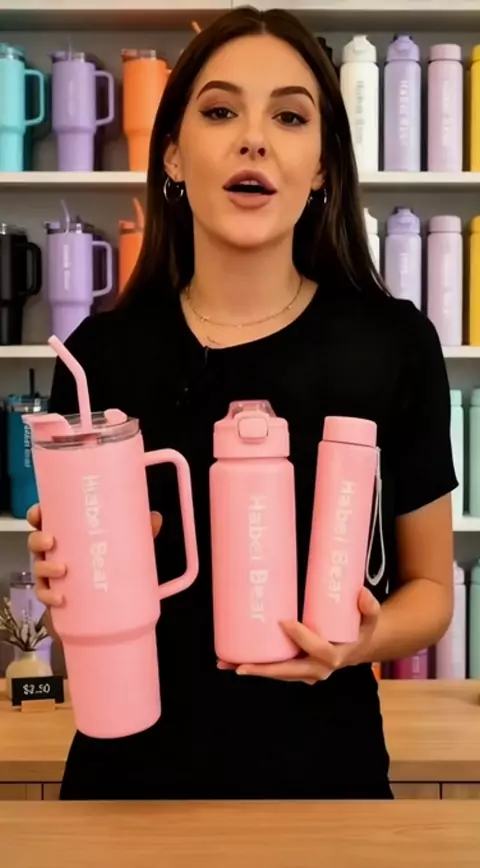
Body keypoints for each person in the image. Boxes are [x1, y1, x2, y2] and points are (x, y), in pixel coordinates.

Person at [28, 7, 456, 800]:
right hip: (128, 789)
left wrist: (362, 639)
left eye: (289, 117)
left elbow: (431, 591)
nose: (254, 140)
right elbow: (76, 625)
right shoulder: (100, 355)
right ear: (172, 154)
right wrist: (65, 585)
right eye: (221, 111)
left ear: (323, 166)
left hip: (325, 788)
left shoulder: (392, 344)